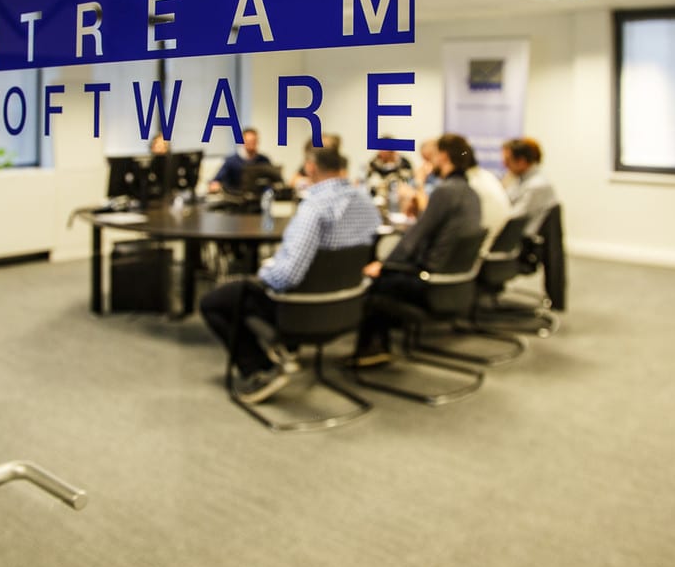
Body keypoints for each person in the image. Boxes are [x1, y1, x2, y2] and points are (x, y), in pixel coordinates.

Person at [200, 147, 381, 403]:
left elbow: (286, 277)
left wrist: (265, 270)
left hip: (299, 312)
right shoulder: (366, 203)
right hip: (344, 308)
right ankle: (284, 351)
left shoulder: (314, 208)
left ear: (310, 167)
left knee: (214, 302)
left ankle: (261, 369)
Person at [354, 133, 482, 364]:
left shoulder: (445, 191)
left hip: (429, 282)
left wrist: (383, 266)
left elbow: (414, 237)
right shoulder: (471, 193)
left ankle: (372, 349)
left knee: (374, 282)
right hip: (454, 281)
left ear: (443, 156)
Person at [502, 137, 557, 237]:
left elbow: (513, 219)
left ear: (521, 161)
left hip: (523, 240)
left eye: (507, 161)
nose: (504, 165)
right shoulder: (520, 180)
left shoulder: (537, 186)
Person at [207, 127, 271, 194]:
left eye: (253, 141)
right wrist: (214, 185)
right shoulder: (231, 161)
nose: (251, 144)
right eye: (249, 141)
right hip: (235, 196)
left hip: (258, 196)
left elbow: (271, 180)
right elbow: (217, 180)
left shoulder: (264, 160)